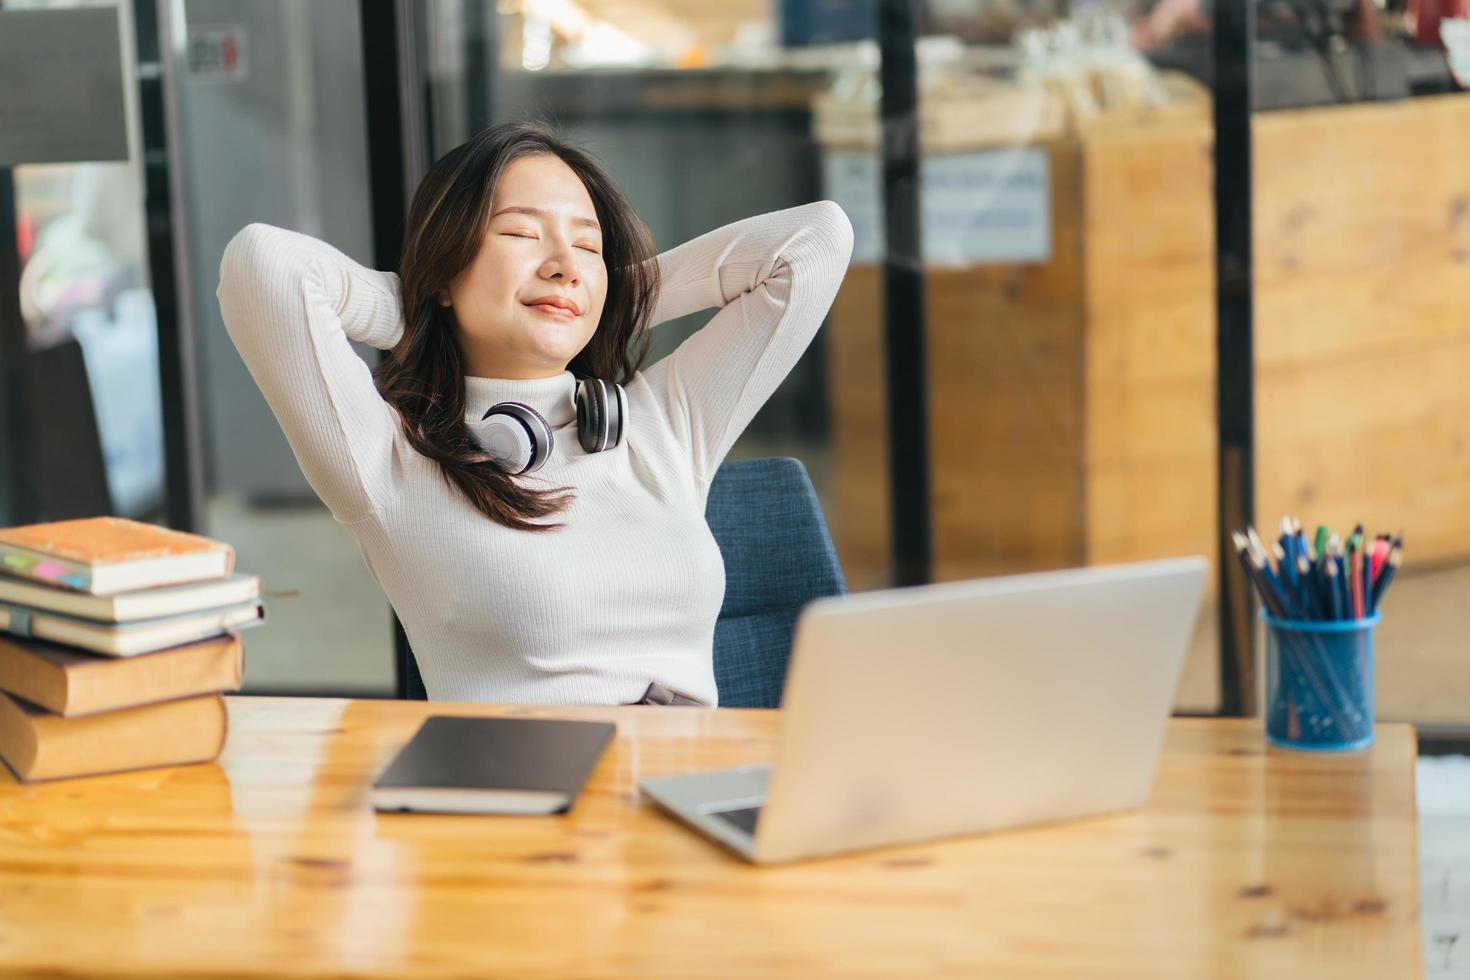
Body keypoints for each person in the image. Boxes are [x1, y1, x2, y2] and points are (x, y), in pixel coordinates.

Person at [216, 121, 853, 706]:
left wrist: (614, 298)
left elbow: (815, 243)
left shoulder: (660, 423)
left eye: (588, 246)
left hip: (690, 786)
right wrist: (423, 303)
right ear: (446, 264)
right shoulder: (388, 465)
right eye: (521, 234)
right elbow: (263, 266)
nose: (563, 266)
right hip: (533, 811)